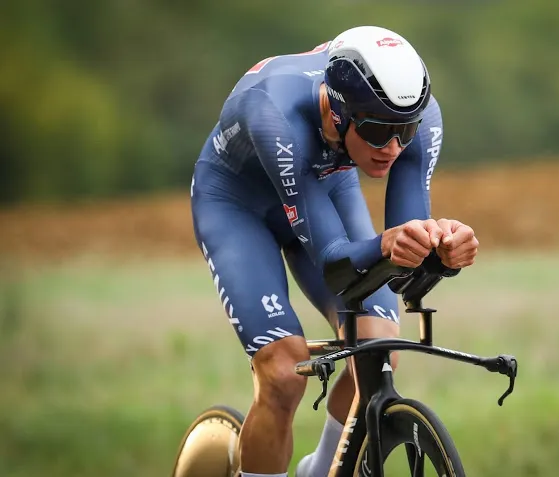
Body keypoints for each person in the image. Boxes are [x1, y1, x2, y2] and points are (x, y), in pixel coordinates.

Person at [189, 25, 479, 477]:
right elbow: (336, 264)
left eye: (405, 130)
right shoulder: (277, 111)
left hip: (321, 183)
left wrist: (440, 251)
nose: (394, 147)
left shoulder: (411, 116)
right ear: (335, 110)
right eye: (379, 131)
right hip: (238, 204)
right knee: (284, 372)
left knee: (379, 344)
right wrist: (389, 245)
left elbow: (401, 265)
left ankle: (319, 469)